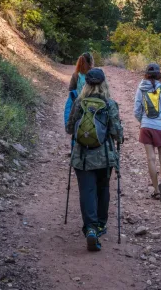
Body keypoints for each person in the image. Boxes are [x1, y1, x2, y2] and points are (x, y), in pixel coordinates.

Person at [66, 68, 123, 251]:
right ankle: (100, 225)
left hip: (82, 156)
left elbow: (69, 129)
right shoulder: (110, 104)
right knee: (103, 189)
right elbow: (116, 133)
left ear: (87, 84)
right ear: (104, 84)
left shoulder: (78, 102)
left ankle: (90, 228)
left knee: (86, 191)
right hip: (104, 156)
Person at [134, 63, 161, 205]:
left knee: (150, 159)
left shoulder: (141, 88)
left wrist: (143, 121)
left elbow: (136, 111)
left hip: (146, 126)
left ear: (146, 74)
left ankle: (156, 190)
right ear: (159, 74)